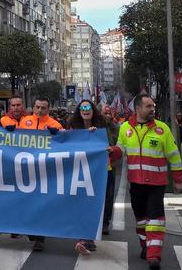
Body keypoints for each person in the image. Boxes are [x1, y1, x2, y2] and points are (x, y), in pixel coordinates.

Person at [109, 94, 182, 270]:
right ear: (138, 109)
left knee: (155, 220)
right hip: (136, 183)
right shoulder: (125, 128)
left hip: (157, 184)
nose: (152, 109)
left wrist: (178, 180)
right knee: (141, 219)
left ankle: (154, 255)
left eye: (153, 106)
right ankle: (145, 245)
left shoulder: (162, 129)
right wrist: (112, 152)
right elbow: (121, 150)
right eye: (148, 106)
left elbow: (174, 156)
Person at [17, 97, 62, 251]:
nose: (40, 110)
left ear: (48, 109)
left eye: (43, 108)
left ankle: (40, 237)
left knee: (41, 204)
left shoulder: (55, 124)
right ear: (33, 107)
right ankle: (31, 230)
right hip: (25, 170)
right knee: (27, 202)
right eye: (37, 107)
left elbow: (65, 144)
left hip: (45, 171)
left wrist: (58, 135)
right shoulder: (25, 121)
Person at [67, 100, 107, 255]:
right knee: (79, 202)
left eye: (88, 107)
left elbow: (110, 143)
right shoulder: (72, 126)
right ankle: (83, 239)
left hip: (97, 170)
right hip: (78, 171)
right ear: (79, 111)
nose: (85, 110)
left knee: (93, 202)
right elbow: (66, 143)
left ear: (93, 110)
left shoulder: (102, 124)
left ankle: (89, 238)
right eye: (82, 107)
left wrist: (96, 136)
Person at [100, 103, 120, 235]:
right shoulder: (94, 127)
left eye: (109, 113)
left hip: (109, 166)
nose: (107, 115)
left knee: (108, 195)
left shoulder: (114, 127)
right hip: (94, 166)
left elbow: (119, 144)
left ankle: (105, 222)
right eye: (105, 113)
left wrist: (112, 149)